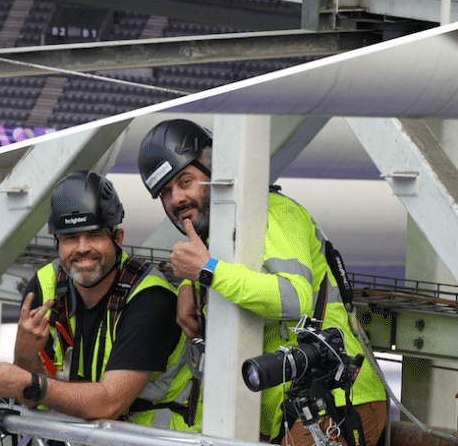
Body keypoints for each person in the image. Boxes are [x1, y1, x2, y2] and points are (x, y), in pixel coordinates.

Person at [138, 120, 387, 446]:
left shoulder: (273, 213)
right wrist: (189, 285)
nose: (177, 198)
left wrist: (207, 272)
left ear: (213, 171)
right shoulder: (216, 239)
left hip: (337, 397)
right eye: (166, 192)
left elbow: (295, 299)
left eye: (186, 181)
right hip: (285, 410)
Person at [0, 171, 199, 430]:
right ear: (58, 244)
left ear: (117, 239)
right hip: (84, 436)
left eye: (94, 235)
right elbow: (29, 400)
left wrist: (29, 382)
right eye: (71, 238)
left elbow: (109, 404)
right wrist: (25, 353)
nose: (82, 248)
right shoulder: (45, 285)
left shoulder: (150, 299)